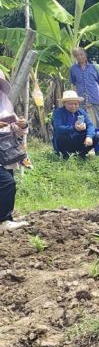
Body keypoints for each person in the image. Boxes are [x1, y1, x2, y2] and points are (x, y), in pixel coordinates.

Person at [0, 70, 29, 232]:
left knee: (7, 182)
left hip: (6, 152)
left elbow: (18, 130)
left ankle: (7, 217)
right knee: (7, 183)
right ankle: (4, 220)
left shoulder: (5, 105)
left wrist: (22, 125)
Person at [69, 47, 99, 128]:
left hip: (95, 97)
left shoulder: (93, 67)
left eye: (81, 54)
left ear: (85, 55)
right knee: (84, 122)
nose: (80, 57)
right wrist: (75, 99)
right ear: (75, 57)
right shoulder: (73, 69)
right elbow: (73, 84)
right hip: (81, 99)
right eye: (77, 55)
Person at [51, 90, 95, 158]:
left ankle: (81, 154)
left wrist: (89, 136)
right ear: (64, 103)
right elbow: (58, 128)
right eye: (70, 104)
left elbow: (90, 125)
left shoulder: (82, 112)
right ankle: (65, 155)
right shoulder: (58, 112)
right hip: (66, 139)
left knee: (95, 137)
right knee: (60, 136)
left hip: (78, 138)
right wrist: (74, 128)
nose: (73, 106)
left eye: (75, 104)